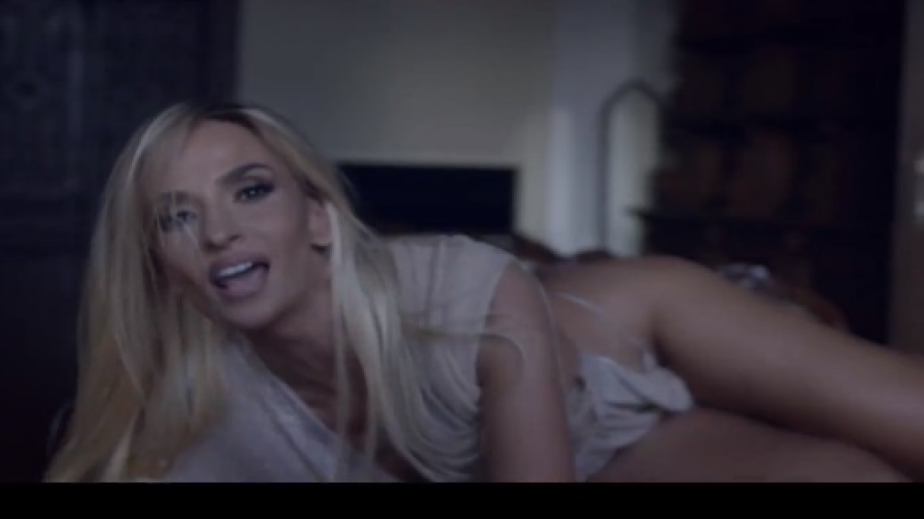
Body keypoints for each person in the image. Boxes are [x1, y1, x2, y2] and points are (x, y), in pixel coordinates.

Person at [45, 101, 924, 483]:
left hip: (620, 331)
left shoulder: (467, 286)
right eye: (177, 216)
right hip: (608, 449)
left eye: (249, 190)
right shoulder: (202, 413)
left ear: (318, 217)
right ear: (160, 262)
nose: (219, 231)